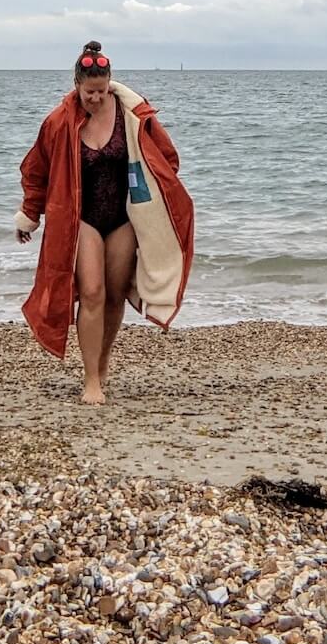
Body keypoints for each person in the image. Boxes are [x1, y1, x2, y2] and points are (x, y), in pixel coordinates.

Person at [15, 40, 194, 404]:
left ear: (110, 82)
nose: (95, 99)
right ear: (76, 85)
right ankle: (91, 379)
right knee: (92, 293)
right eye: (88, 93)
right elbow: (37, 170)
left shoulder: (134, 114)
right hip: (81, 217)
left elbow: (166, 159)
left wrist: (159, 197)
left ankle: (103, 361)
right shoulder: (58, 121)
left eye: (100, 91)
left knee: (114, 295)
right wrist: (30, 214)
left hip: (123, 216)